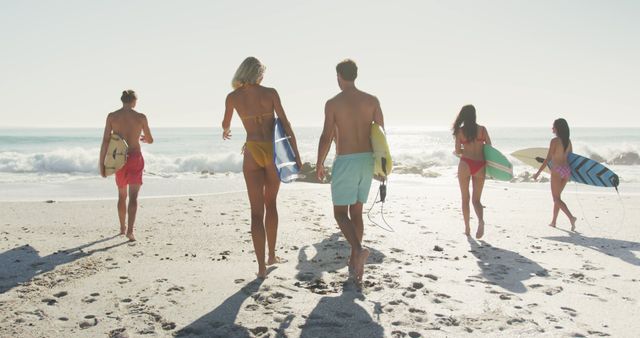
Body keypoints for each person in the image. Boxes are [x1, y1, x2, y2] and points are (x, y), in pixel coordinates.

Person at [222, 57, 302, 278]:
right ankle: (272, 255)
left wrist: (226, 130)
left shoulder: (232, 97)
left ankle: (260, 268)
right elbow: (285, 123)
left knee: (256, 212)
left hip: (252, 151)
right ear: (257, 74)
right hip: (272, 150)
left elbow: (226, 124)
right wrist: (296, 153)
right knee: (271, 203)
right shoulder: (270, 93)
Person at [316, 59, 384, 282]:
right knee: (356, 212)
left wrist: (320, 162)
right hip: (366, 160)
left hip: (346, 160)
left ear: (339, 76)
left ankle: (358, 249)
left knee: (339, 213)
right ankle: (355, 262)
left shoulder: (333, 103)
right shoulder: (372, 101)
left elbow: (327, 136)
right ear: (355, 75)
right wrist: (381, 165)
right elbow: (381, 135)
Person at [99, 90, 153, 241]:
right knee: (134, 197)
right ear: (134, 101)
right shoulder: (141, 117)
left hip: (119, 159)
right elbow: (150, 139)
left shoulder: (112, 117)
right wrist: (144, 138)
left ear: (122, 100)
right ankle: (130, 231)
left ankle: (122, 228)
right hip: (135, 157)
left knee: (122, 195)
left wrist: (102, 164)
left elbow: (105, 140)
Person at [453, 105, 491, 239]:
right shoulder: (482, 130)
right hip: (480, 165)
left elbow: (457, 151)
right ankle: (481, 221)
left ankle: (467, 227)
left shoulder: (460, 131)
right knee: (476, 200)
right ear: (474, 115)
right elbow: (489, 149)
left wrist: (465, 150)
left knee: (465, 199)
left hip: (465, 164)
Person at [533, 118, 577, 230]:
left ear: (557, 128)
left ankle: (571, 218)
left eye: (553, 126)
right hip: (566, 171)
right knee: (558, 197)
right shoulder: (568, 141)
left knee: (556, 199)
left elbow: (548, 159)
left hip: (557, 170)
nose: (552, 128)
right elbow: (571, 157)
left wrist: (537, 173)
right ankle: (553, 221)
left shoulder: (554, 141)